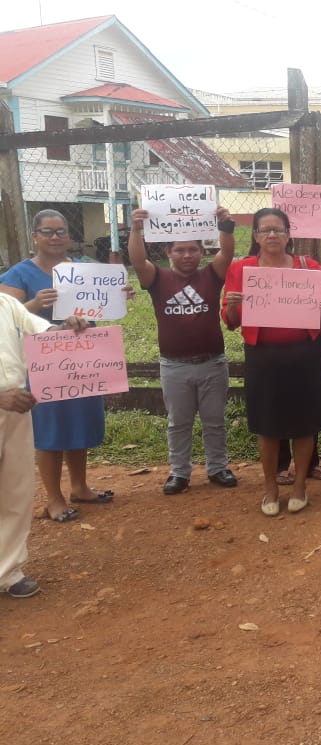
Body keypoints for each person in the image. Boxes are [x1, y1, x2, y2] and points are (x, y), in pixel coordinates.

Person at [0, 210, 116, 522]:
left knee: (79, 422)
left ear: (69, 236)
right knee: (50, 428)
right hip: (43, 364)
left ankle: (80, 487)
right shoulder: (18, 275)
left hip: (82, 359)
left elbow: (103, 302)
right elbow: (6, 317)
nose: (55, 238)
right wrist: (36, 304)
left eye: (61, 231)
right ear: (34, 236)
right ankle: (53, 498)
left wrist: (118, 295)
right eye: (48, 232)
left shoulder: (82, 269)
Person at [221, 207, 321, 516]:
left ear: (288, 235)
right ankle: (270, 486)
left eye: (279, 229)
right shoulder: (242, 269)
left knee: (304, 423)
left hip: (304, 355)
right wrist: (232, 306)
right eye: (265, 230)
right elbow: (230, 321)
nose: (272, 235)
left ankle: (300, 484)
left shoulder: (308, 266)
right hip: (263, 358)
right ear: (255, 236)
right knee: (267, 425)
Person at [127, 206, 239, 495]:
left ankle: (217, 468)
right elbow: (138, 260)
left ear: (202, 252)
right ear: (168, 253)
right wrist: (136, 229)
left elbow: (226, 253)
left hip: (212, 362)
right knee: (179, 423)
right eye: (180, 250)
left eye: (193, 249)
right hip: (174, 365)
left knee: (215, 420)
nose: (187, 255)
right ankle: (179, 473)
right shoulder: (157, 278)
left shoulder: (211, 276)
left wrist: (225, 226)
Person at [0, 295, 89, 597]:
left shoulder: (6, 303)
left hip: (17, 408)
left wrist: (65, 329)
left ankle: (8, 572)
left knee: (16, 491)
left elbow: (39, 329)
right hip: (5, 401)